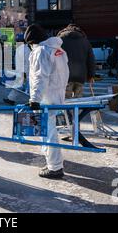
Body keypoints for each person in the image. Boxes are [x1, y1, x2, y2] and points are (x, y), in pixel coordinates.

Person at [25, 24, 69, 179]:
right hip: (57, 95)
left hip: (46, 97)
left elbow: (40, 76)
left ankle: (55, 167)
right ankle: (51, 162)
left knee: (48, 132)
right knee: (48, 130)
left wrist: (34, 99)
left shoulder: (40, 51)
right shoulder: (58, 50)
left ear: (33, 41)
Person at [57, 24, 96, 99]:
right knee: (78, 99)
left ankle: (67, 111)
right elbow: (91, 59)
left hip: (65, 75)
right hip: (80, 76)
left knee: (65, 99)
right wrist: (91, 75)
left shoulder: (60, 40)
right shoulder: (85, 41)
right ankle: (76, 111)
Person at [3, 34, 31, 105]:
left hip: (24, 71)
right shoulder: (23, 48)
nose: (16, 42)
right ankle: (11, 99)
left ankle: (35, 100)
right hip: (22, 71)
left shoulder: (24, 49)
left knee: (28, 85)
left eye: (17, 41)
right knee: (20, 85)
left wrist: (24, 72)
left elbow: (26, 62)